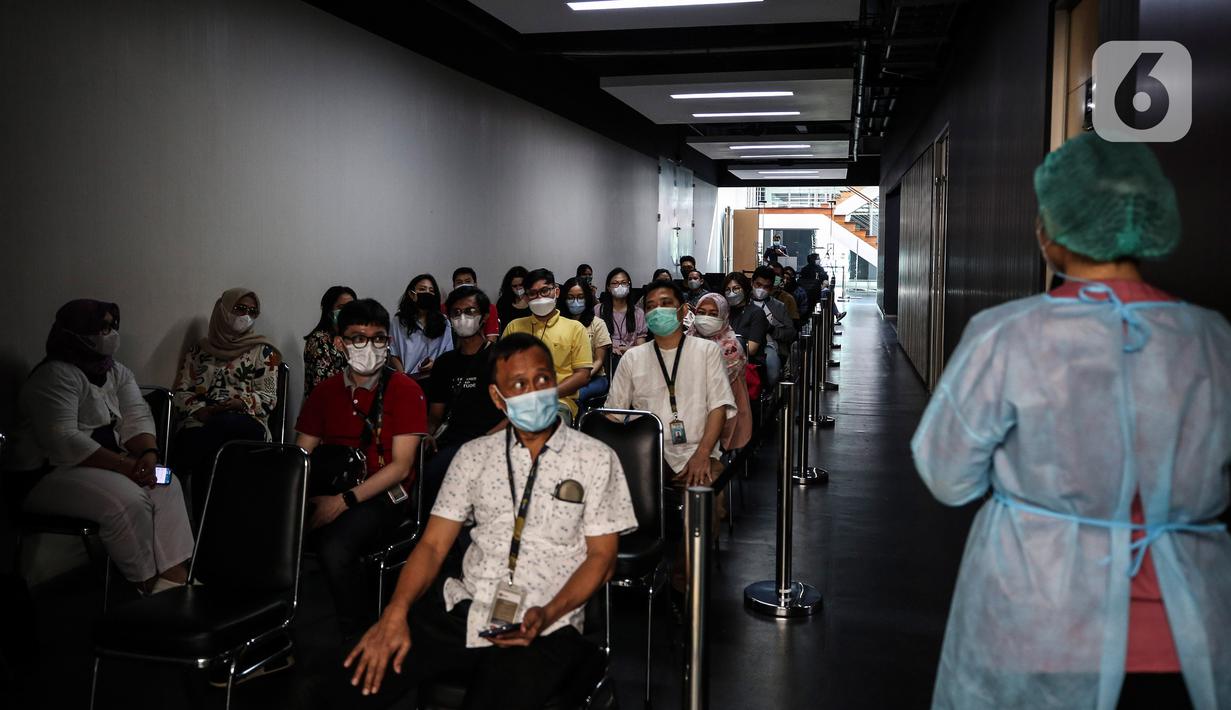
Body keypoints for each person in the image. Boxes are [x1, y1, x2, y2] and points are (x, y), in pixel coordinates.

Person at [910, 133, 1231, 710]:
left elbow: (947, 474)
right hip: (1190, 633)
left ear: (1051, 232)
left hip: (1040, 619)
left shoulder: (1007, 334)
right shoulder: (1212, 339)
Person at [337, 334, 637, 709]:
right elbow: (431, 546)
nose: (534, 392)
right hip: (466, 608)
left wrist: (548, 614)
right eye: (519, 384)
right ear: (498, 398)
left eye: (543, 380)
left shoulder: (596, 458)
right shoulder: (473, 456)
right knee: (349, 681)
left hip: (547, 620)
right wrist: (395, 614)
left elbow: (602, 559)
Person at [15, 300, 193, 595]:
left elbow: (137, 417)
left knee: (166, 482)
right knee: (129, 501)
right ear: (76, 332)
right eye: (101, 327)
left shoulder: (116, 372)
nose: (109, 333)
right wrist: (127, 467)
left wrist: (149, 455)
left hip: (111, 463)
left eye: (111, 326)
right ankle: (146, 586)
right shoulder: (54, 375)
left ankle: (175, 579)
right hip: (49, 472)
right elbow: (64, 440)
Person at [295, 299, 427, 638]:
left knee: (336, 545)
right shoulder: (324, 393)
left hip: (386, 494)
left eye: (378, 338)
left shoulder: (405, 390)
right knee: (271, 528)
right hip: (333, 484)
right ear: (340, 343)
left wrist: (342, 501)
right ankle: (270, 631)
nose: (368, 347)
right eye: (357, 338)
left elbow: (401, 467)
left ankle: (360, 635)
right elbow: (300, 455)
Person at [607, 280, 735, 592]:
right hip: (647, 460)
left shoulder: (706, 351)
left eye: (665, 304)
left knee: (706, 503)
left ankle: (682, 585)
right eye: (650, 306)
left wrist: (703, 454)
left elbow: (719, 407)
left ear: (681, 311)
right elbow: (614, 415)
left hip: (697, 451)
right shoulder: (633, 358)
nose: (657, 311)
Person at [172, 287, 281, 523]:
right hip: (202, 419)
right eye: (240, 308)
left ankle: (198, 528)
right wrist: (202, 410)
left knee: (219, 428)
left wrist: (238, 403)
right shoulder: (199, 350)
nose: (246, 315)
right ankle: (205, 533)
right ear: (222, 310)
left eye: (252, 311)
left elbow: (269, 398)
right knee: (209, 453)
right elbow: (181, 391)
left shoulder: (264, 351)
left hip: (246, 420)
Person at [423, 287, 508, 508]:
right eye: (456, 313)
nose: (463, 318)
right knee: (431, 472)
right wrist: (425, 435)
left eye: (470, 311)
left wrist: (485, 440)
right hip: (452, 441)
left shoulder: (502, 358)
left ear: (485, 317)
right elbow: (435, 415)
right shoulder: (444, 363)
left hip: (493, 440)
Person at [501, 269, 592, 425]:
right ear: (526, 297)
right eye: (533, 293)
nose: (540, 297)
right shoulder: (514, 327)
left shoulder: (575, 328)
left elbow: (583, 375)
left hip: (558, 402)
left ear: (556, 291)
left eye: (544, 291)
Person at [686, 293, 752, 451]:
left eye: (713, 314)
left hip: (721, 410)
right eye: (701, 313)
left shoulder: (732, 349)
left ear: (723, 316)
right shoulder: (685, 340)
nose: (706, 318)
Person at [558, 277, 611, 410]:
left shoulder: (597, 324)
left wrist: (578, 378)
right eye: (570, 297)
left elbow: (599, 360)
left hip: (594, 377)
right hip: (564, 377)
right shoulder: (558, 322)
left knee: (576, 395)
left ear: (587, 298)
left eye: (580, 297)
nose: (575, 301)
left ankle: (579, 427)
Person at [390, 275, 453, 379]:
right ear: (412, 294)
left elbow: (449, 353)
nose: (427, 293)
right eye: (422, 289)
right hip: (408, 378)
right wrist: (403, 377)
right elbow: (393, 353)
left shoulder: (443, 321)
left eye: (431, 290)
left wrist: (435, 364)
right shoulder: (399, 321)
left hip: (436, 377)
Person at [304, 286, 357, 396]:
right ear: (329, 312)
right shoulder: (319, 340)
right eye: (341, 308)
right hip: (327, 406)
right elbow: (325, 387)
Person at [750, 266, 796, 385]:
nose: (761, 289)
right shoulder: (745, 303)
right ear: (752, 283)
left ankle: (770, 393)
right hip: (746, 343)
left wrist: (772, 329)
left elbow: (791, 333)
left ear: (771, 288)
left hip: (769, 346)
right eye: (758, 285)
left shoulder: (779, 307)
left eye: (766, 287)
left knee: (773, 371)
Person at [596, 267, 647, 370]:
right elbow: (594, 341)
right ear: (608, 288)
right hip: (606, 360)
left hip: (632, 359)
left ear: (629, 286)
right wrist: (612, 349)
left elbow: (641, 345)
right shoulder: (599, 310)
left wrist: (628, 350)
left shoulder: (638, 313)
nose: (619, 286)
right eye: (615, 283)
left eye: (624, 283)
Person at [722, 273, 770, 375]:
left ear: (745, 289)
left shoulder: (756, 312)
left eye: (736, 289)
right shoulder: (723, 313)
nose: (731, 293)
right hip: (723, 363)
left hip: (749, 365)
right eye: (728, 290)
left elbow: (751, 349)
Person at [447, 268, 499, 343]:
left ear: (475, 284)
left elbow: (491, 339)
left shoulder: (489, 307)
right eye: (459, 282)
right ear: (454, 285)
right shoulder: (445, 308)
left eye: (468, 281)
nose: (463, 285)